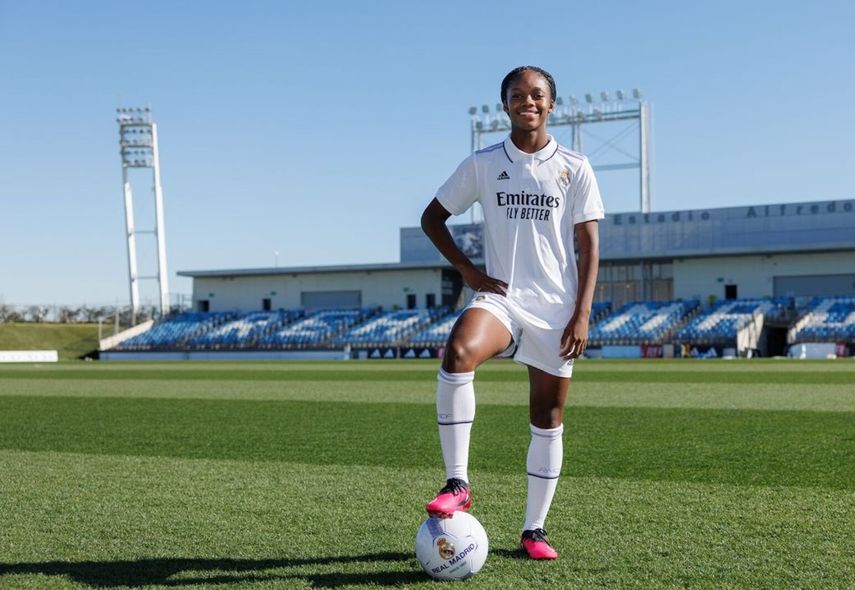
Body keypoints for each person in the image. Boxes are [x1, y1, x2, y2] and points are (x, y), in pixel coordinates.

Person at [420, 66, 604, 560]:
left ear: (551, 104)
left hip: (557, 309)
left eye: (537, 94)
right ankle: (458, 482)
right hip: (501, 297)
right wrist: (468, 272)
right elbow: (432, 217)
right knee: (459, 350)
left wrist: (582, 313)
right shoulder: (482, 163)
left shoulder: (575, 165)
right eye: (517, 95)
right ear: (504, 105)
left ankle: (534, 531)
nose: (528, 101)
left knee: (547, 417)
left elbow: (589, 245)